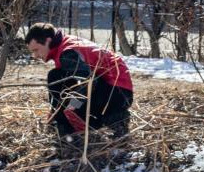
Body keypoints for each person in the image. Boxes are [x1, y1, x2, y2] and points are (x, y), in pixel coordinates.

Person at [24, 23, 134, 161]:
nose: (35, 55)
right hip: (117, 92)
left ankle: (68, 130)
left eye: (36, 50)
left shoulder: (67, 53)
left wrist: (72, 107)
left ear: (48, 41)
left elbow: (87, 81)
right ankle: (67, 126)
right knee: (59, 77)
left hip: (116, 95)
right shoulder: (65, 44)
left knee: (56, 77)